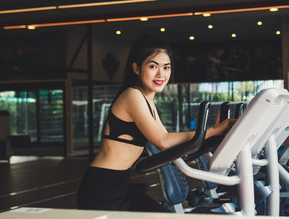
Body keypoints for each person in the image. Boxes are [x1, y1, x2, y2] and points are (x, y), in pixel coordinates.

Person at [76, 35, 235, 212]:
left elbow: (168, 143)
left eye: (166, 67)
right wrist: (212, 131)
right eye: (153, 66)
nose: (161, 74)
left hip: (120, 185)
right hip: (102, 188)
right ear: (136, 68)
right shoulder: (132, 96)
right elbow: (163, 141)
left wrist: (213, 133)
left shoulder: (147, 101)